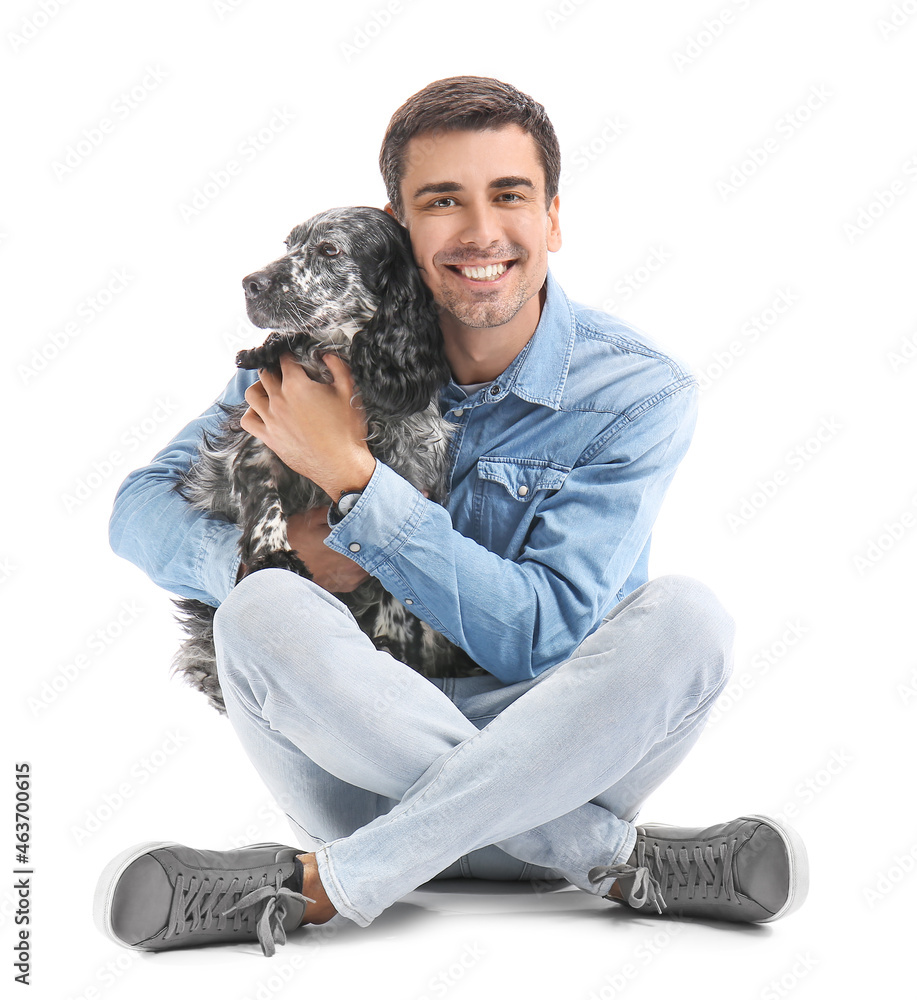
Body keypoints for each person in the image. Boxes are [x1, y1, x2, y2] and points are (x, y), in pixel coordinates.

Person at [95, 76, 808, 957]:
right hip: (367, 776)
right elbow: (135, 511)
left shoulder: (636, 391)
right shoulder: (310, 353)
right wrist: (277, 568)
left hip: (560, 752)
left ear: (552, 217)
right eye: (442, 201)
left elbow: (538, 640)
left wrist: (354, 481)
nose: (479, 233)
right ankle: (613, 862)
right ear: (400, 224)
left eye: (508, 195)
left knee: (691, 617)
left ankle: (322, 888)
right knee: (261, 610)